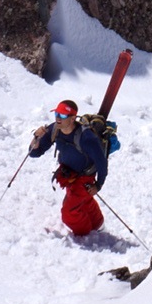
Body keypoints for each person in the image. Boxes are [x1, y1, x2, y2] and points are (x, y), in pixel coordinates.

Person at [29, 99, 107, 236]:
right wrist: (36, 137)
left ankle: (84, 235)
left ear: (72, 118)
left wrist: (98, 185)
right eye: (57, 114)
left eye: (63, 115)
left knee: (69, 213)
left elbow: (102, 163)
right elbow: (35, 153)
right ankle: (97, 224)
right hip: (68, 174)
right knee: (83, 200)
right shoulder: (55, 129)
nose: (58, 118)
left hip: (84, 177)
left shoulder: (87, 138)